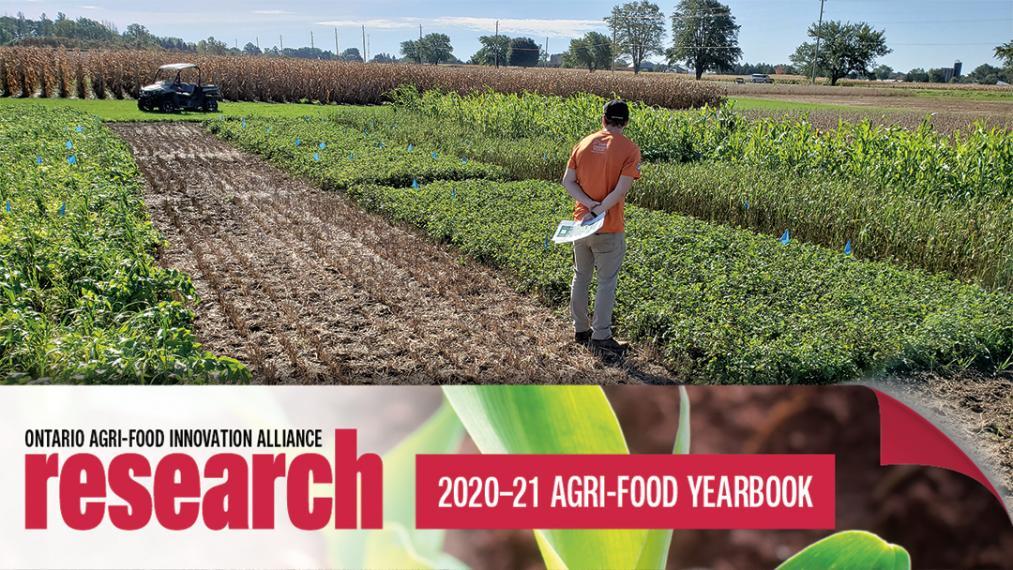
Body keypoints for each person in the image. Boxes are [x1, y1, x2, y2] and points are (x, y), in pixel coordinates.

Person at [561, 99, 641, 355]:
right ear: (626, 122)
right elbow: (621, 189)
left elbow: (568, 181)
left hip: (580, 223)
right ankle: (601, 335)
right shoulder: (630, 149)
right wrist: (601, 208)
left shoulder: (583, 144)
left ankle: (580, 329)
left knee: (580, 276)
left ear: (603, 118)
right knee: (606, 281)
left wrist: (588, 205)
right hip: (609, 225)